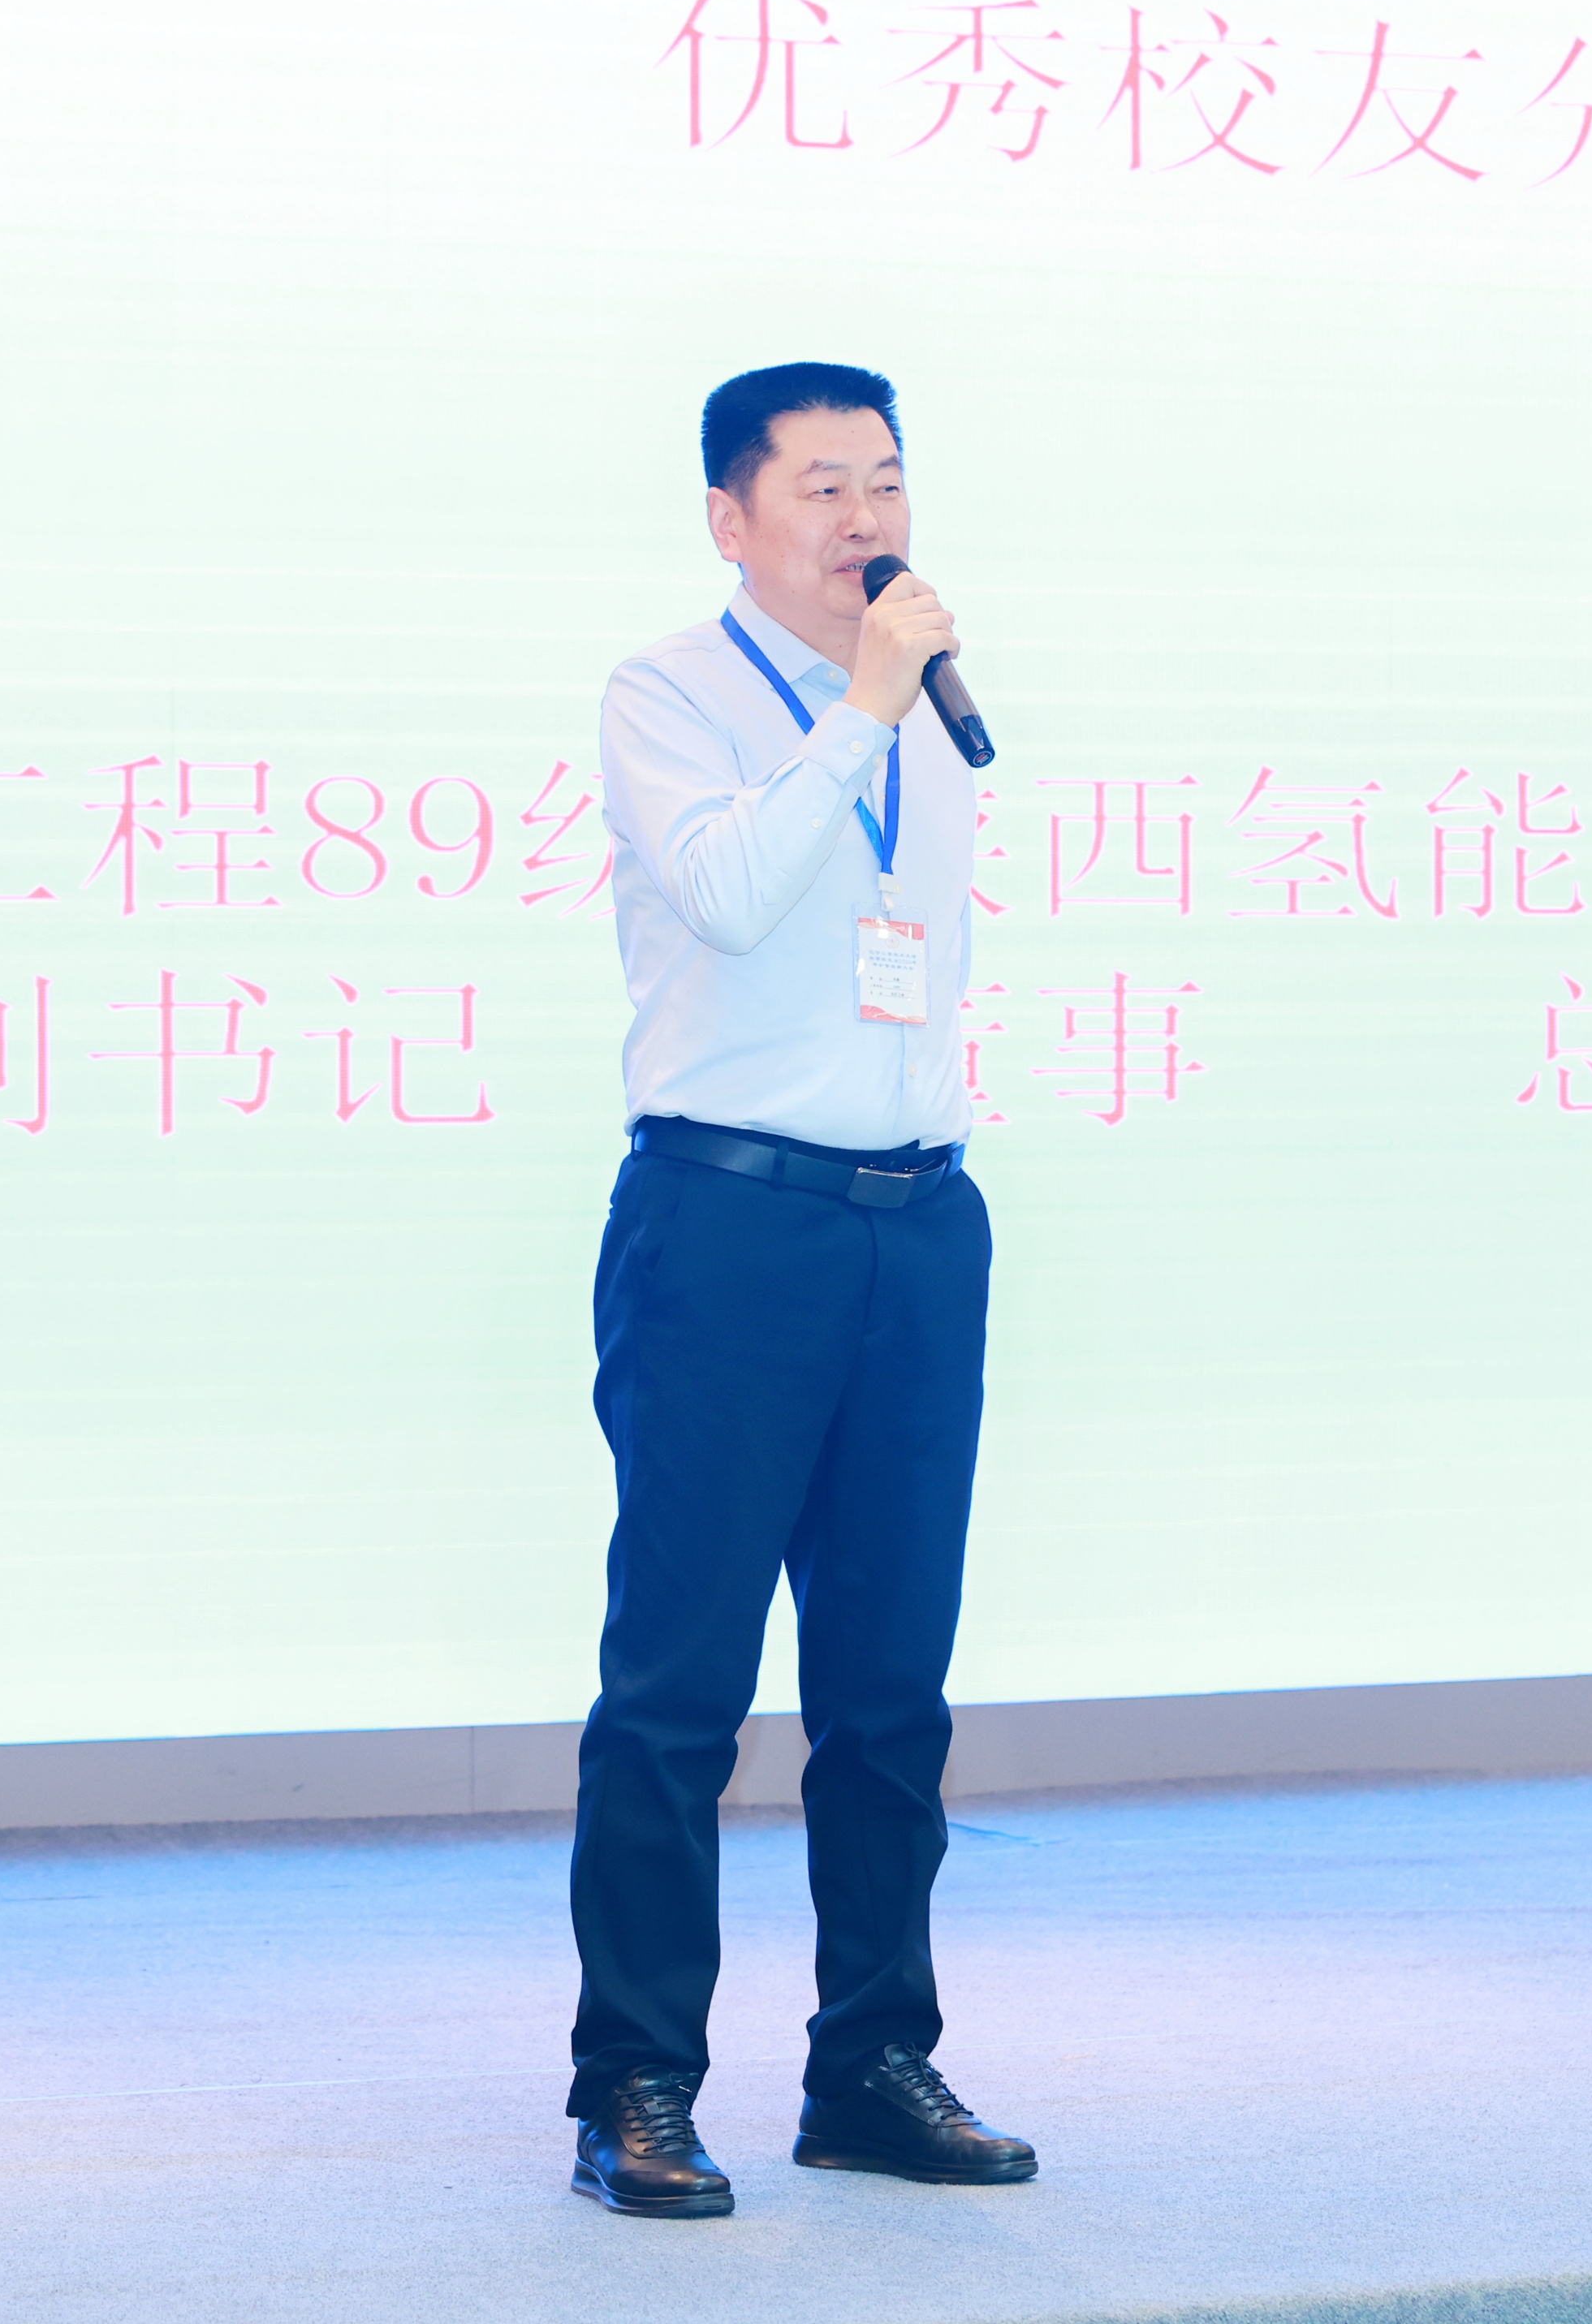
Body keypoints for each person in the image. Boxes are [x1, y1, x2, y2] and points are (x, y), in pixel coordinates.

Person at [563, 362, 1038, 2219]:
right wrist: (859, 708)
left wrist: (883, 707)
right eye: (825, 483)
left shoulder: (917, 713)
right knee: (678, 1684)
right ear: (730, 516)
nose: (867, 517)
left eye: (888, 481)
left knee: (891, 1684)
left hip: (917, 1225)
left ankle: (871, 2063)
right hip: (729, 1222)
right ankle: (636, 2081)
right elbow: (737, 891)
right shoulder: (671, 693)